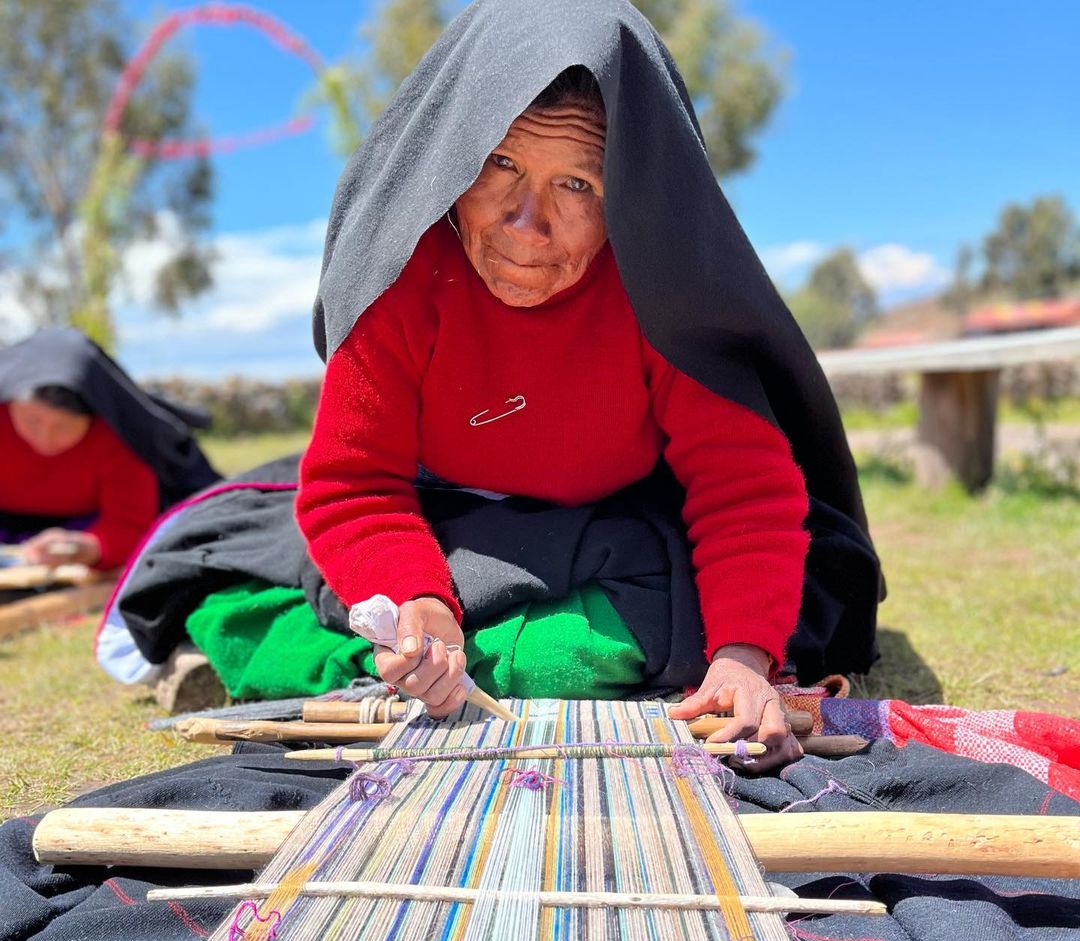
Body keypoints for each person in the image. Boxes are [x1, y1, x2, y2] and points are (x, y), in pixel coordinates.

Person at [298, 0, 883, 771]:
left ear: (629, 197)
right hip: (450, 525)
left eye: (577, 183)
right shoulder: (403, 281)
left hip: (624, 525)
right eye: (499, 164)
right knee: (335, 599)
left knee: (777, 589)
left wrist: (744, 657)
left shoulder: (659, 289)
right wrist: (421, 607)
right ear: (448, 162)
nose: (525, 223)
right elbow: (355, 486)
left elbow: (741, 484)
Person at [1, 328, 218, 570]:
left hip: (80, 536)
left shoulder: (120, 436)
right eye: (32, 421)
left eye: (64, 426)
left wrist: (86, 547)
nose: (45, 438)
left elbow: (130, 526)